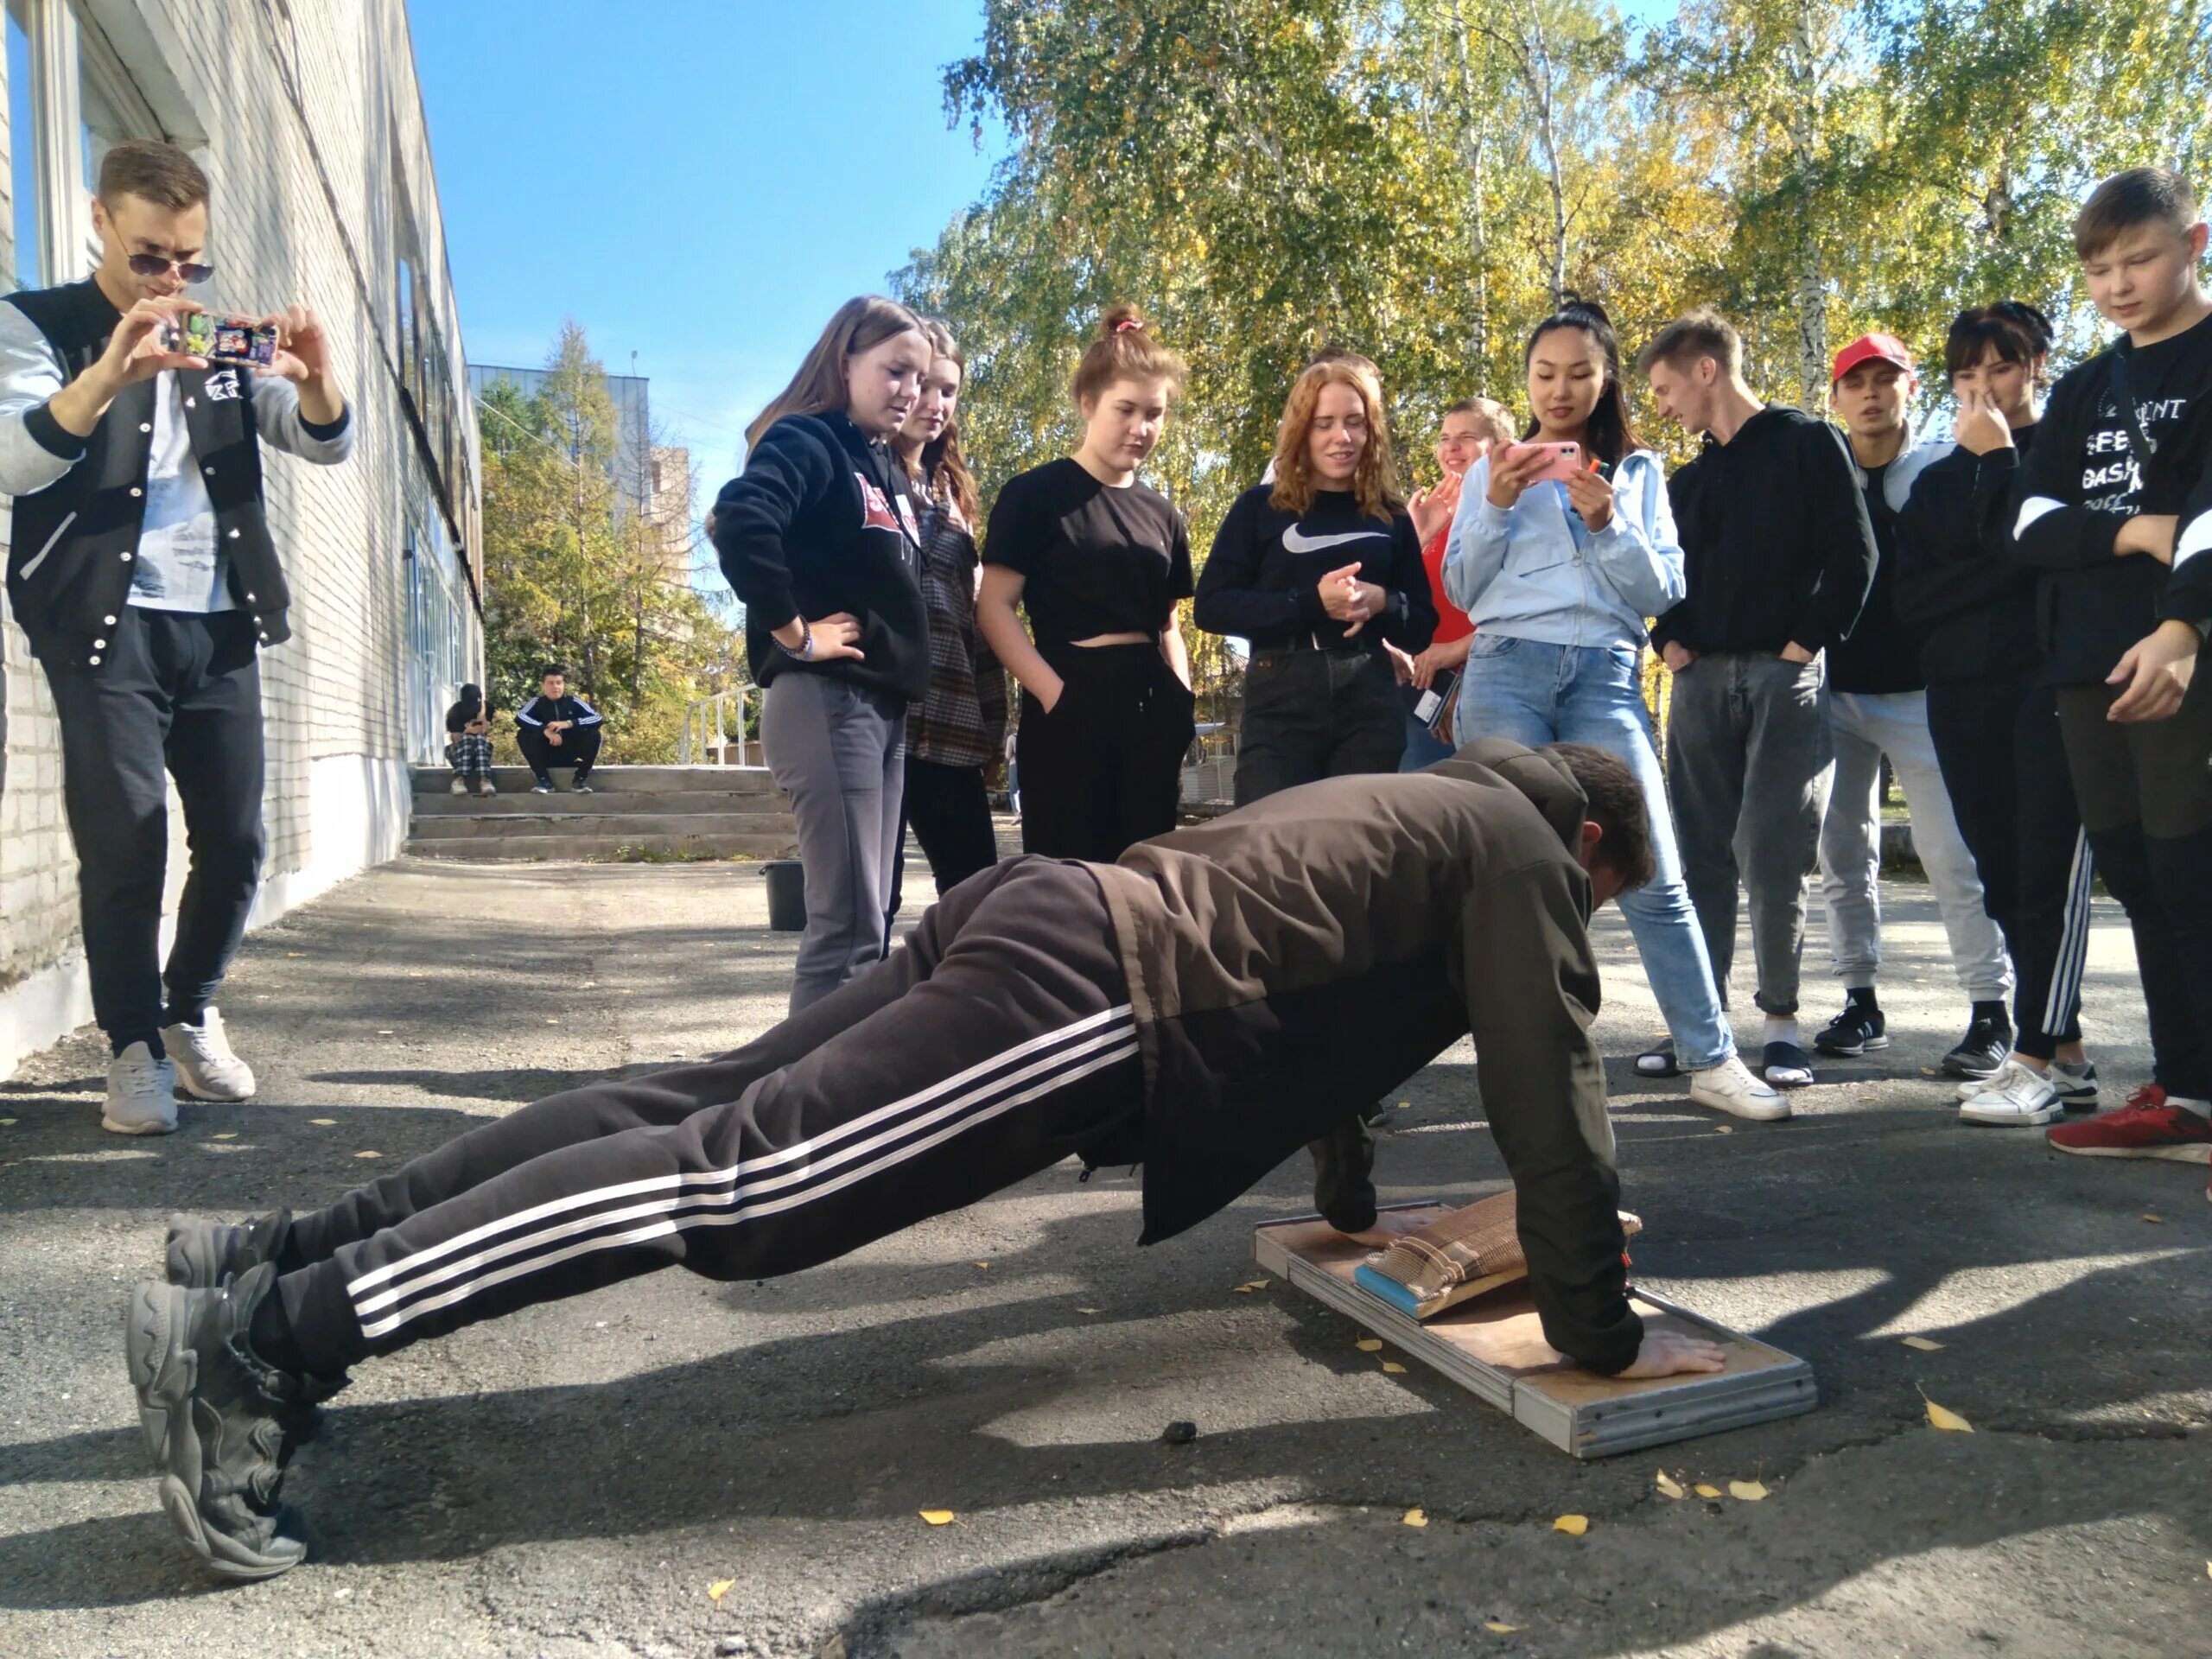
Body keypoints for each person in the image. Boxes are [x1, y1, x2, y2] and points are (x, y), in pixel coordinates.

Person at [129, 738, 1729, 1581]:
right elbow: (1550, 1101)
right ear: (1596, 853)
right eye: (1599, 907)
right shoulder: (1524, 859)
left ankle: (281, 1252)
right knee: (733, 1188)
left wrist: (1352, 1204)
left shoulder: (1429, 803)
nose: (1580, 927)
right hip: (1094, 991)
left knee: (669, 1110)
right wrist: (1597, 1331)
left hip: (1044, 911)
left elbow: (1335, 1024)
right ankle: (267, 1347)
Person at [0, 140, 355, 1135]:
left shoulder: (215, 340)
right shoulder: (39, 326)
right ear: (100, 222)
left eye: (190, 262)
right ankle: (132, 1048)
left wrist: (319, 381)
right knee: (125, 841)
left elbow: (322, 439)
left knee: (237, 839)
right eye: (153, 255)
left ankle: (189, 1002)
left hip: (218, 619)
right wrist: (110, 372)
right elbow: (15, 461)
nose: (172, 279)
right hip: (103, 623)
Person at [1445, 302, 1780, 1120]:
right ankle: (1516, 1064)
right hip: (1506, 669)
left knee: (1652, 870)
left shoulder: (1640, 474)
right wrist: (1490, 502)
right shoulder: (1494, 470)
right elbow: (1460, 590)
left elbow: (1664, 590)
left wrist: (1608, 523)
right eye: (1544, 373)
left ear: (1606, 380)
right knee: (1502, 875)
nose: (1560, 390)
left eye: (1579, 373)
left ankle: (1712, 1057)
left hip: (1604, 675)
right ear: (1527, 381)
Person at [2007, 168, 2212, 1166]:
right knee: (2136, 873)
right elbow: (2029, 521)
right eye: (2099, 268)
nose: (2120, 284)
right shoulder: (2087, 385)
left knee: (2192, 867)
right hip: (2087, 662)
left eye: (2140, 258)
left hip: (2184, 650)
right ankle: (2185, 1090)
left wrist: (2183, 628)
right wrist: (2133, 530)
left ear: (2194, 243)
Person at [1637, 309, 1878, 1089]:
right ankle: (1701, 1033)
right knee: (1696, 859)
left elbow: (1855, 552)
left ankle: (1780, 1028)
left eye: (1668, 387)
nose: (1664, 405)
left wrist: (1803, 645)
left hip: (1786, 680)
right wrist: (1667, 642)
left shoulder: (1808, 442)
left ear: (1707, 370)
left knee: (1776, 855)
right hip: (1701, 682)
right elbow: (1657, 574)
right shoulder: (1689, 480)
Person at [1893, 303, 2103, 1126]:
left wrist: (2001, 473)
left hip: (2047, 688)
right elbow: (1914, 600)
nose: (1982, 389)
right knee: (2005, 880)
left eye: (2001, 369)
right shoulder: (1940, 479)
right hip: (1960, 694)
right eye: (1966, 375)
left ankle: (2033, 1055)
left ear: (2037, 367)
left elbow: (2042, 553)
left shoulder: (2065, 455)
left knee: (2047, 868)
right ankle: (2067, 1055)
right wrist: (2000, 566)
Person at [710, 297, 933, 1013]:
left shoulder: (884, 466)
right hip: (829, 701)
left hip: (880, 708)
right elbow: (742, 521)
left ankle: (848, 1093)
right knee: (845, 927)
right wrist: (796, 635)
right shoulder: (809, 440)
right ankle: (800, 1105)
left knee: (873, 924)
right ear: (846, 361)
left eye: (921, 379)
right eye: (895, 370)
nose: (910, 392)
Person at [1813, 335, 2017, 1077]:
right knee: (1843, 854)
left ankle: (1991, 1010)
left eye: (1885, 380)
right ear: (1834, 398)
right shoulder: (1822, 473)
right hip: (1835, 694)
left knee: (1950, 855)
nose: (1871, 395)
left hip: (1926, 695)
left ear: (1910, 387)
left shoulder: (1941, 467)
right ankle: (1860, 1000)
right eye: (1854, 382)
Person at [978, 305, 1196, 861]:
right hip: (1067, 698)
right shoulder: (1033, 495)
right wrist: (1056, 697)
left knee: (1146, 880)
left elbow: (1169, 623)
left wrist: (1183, 701)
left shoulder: (1163, 516)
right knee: (1065, 883)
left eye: (1155, 413)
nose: (1140, 428)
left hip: (1151, 705)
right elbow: (995, 608)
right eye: (1125, 409)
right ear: (1087, 403)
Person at [1193, 353, 1435, 800]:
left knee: (1357, 850)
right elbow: (1211, 606)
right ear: (1301, 430)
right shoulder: (1258, 509)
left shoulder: (1391, 516)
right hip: (1281, 693)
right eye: (1324, 423)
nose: (1341, 437)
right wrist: (1312, 603)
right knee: (1268, 845)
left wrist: (1381, 600)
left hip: (1369, 698)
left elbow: (1422, 625)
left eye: (1354, 422)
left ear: (1371, 430)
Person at [886, 321, 1005, 911]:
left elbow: (977, 619)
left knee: (977, 894)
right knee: (869, 903)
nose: (933, 404)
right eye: (924, 385)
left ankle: (966, 1005)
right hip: (880, 723)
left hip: (955, 728)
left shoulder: (953, 493)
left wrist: (994, 727)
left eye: (949, 391)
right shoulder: (860, 474)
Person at [1397, 397, 1513, 768]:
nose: (1451, 447)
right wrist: (1412, 537)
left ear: (1497, 446)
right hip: (1423, 693)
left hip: (1494, 682)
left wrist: (1454, 654)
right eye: (1445, 438)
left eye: (1465, 437)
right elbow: (1390, 602)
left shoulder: (1515, 512)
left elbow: (1524, 606)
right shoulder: (1428, 512)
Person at [512, 666, 605, 794]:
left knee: (594, 734)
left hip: (571, 752)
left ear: (563, 685)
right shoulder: (537, 703)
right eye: (551, 683)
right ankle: (544, 782)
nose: (555, 687)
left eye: (559, 683)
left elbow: (598, 719)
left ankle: (579, 781)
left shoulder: (574, 701)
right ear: (543, 685)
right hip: (546, 753)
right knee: (523, 734)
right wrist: (545, 730)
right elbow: (520, 718)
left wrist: (568, 724)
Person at [443, 683, 497, 798]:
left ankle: (485, 780)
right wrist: (466, 731)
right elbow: (455, 739)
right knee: (468, 738)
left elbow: (485, 728)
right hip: (458, 753)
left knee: (479, 737)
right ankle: (458, 780)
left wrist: (482, 710)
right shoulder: (455, 711)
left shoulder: (488, 707)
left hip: (480, 753)